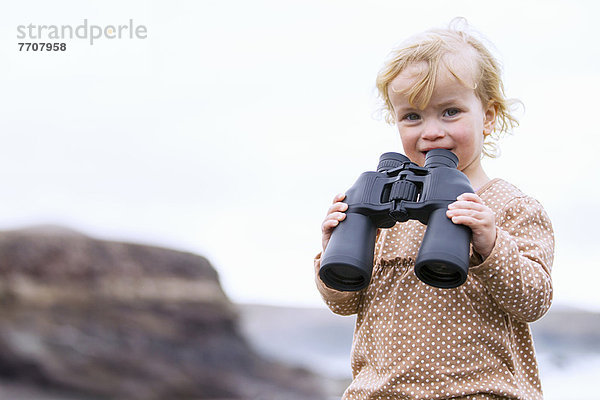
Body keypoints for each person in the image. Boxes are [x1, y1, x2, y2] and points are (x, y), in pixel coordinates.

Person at [315, 21, 554, 400]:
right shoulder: (384, 213)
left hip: (478, 393)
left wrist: (491, 244)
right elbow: (342, 302)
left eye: (450, 112)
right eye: (412, 116)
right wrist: (334, 249)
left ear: (488, 117)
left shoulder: (512, 207)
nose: (430, 132)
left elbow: (534, 300)